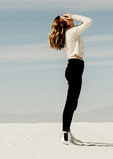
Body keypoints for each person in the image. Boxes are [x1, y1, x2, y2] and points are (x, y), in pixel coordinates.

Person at [48, 12, 93, 145]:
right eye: (66, 17)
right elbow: (89, 20)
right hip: (75, 67)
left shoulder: (71, 32)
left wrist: (72, 19)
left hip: (75, 67)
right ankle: (65, 135)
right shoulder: (71, 32)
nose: (69, 18)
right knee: (71, 103)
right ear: (65, 23)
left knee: (72, 103)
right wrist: (74, 15)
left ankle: (68, 133)